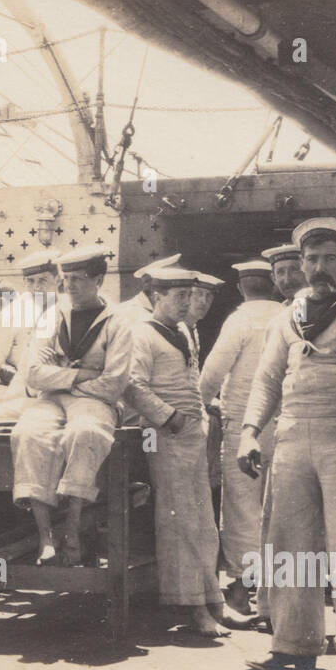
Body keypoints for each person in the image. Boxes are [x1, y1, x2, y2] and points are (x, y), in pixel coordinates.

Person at [239, 217, 336, 670]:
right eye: (311, 259)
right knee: (291, 548)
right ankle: (294, 645)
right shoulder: (288, 315)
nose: (319, 267)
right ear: (301, 264)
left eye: (329, 259)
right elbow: (267, 380)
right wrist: (248, 430)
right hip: (291, 439)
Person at [11, 248, 134, 566]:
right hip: (50, 400)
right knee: (29, 433)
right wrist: (83, 374)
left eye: (78, 279)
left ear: (99, 279)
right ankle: (46, 537)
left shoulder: (119, 321)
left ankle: (73, 526)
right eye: (66, 279)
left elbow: (114, 383)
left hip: (95, 402)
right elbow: (33, 375)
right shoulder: (51, 316)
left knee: (86, 432)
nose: (70, 286)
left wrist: (61, 376)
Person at [124, 269, 229, 635]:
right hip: (162, 436)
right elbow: (132, 386)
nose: (187, 302)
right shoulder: (141, 333)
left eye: (189, 294)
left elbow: (190, 378)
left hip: (192, 436)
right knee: (178, 519)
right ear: (157, 297)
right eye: (179, 295)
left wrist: (200, 413)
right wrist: (169, 418)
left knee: (202, 519)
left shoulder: (184, 330)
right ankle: (191, 606)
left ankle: (213, 600)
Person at [199, 260, 282, 616]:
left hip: (243, 423)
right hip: (284, 420)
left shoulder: (240, 320)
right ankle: (278, 593)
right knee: (280, 504)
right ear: (274, 284)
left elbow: (213, 372)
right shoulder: (290, 313)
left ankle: (242, 588)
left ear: (241, 288)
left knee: (242, 504)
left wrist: (202, 404)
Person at [0, 250, 62, 425]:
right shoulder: (13, 313)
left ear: (58, 280)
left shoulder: (68, 309)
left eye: (42, 280)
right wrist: (9, 374)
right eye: (30, 281)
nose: (36, 288)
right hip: (16, 390)